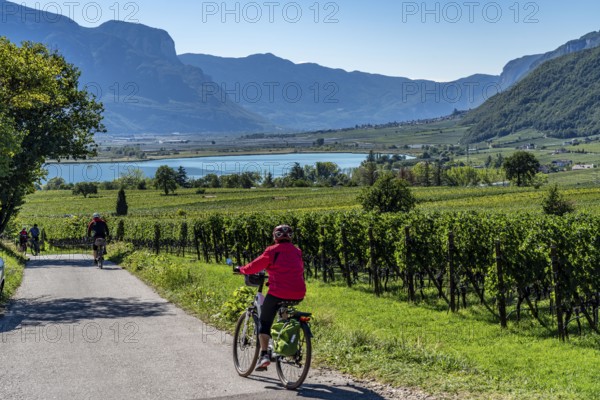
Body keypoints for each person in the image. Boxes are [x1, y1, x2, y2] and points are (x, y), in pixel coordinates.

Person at [234, 224, 306, 371]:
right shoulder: (297, 251)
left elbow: (255, 266)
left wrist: (241, 269)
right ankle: (284, 341)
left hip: (278, 292)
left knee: (264, 322)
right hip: (299, 292)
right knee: (283, 314)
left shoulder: (272, 250)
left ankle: (264, 354)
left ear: (275, 236)